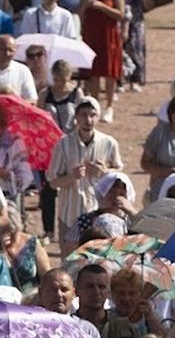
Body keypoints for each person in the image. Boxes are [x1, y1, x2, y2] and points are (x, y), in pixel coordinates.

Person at [47, 98, 123, 250]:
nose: (88, 120)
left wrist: (106, 173)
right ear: (76, 117)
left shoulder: (109, 143)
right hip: (70, 213)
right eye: (83, 115)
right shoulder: (63, 143)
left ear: (98, 117)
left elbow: (120, 174)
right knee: (69, 262)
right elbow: (52, 181)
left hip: (99, 216)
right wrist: (71, 177)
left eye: (92, 115)